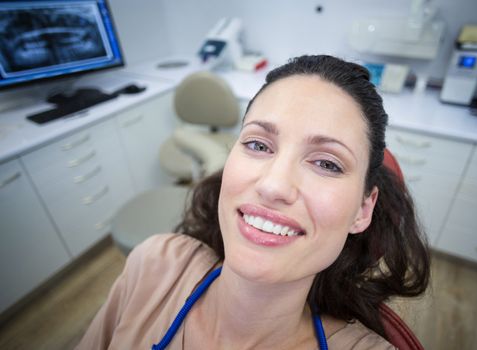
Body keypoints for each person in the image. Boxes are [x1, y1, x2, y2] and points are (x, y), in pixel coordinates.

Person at [77, 55, 430, 349]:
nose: (274, 186)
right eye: (258, 145)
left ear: (362, 210)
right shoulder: (153, 265)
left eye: (327, 163)